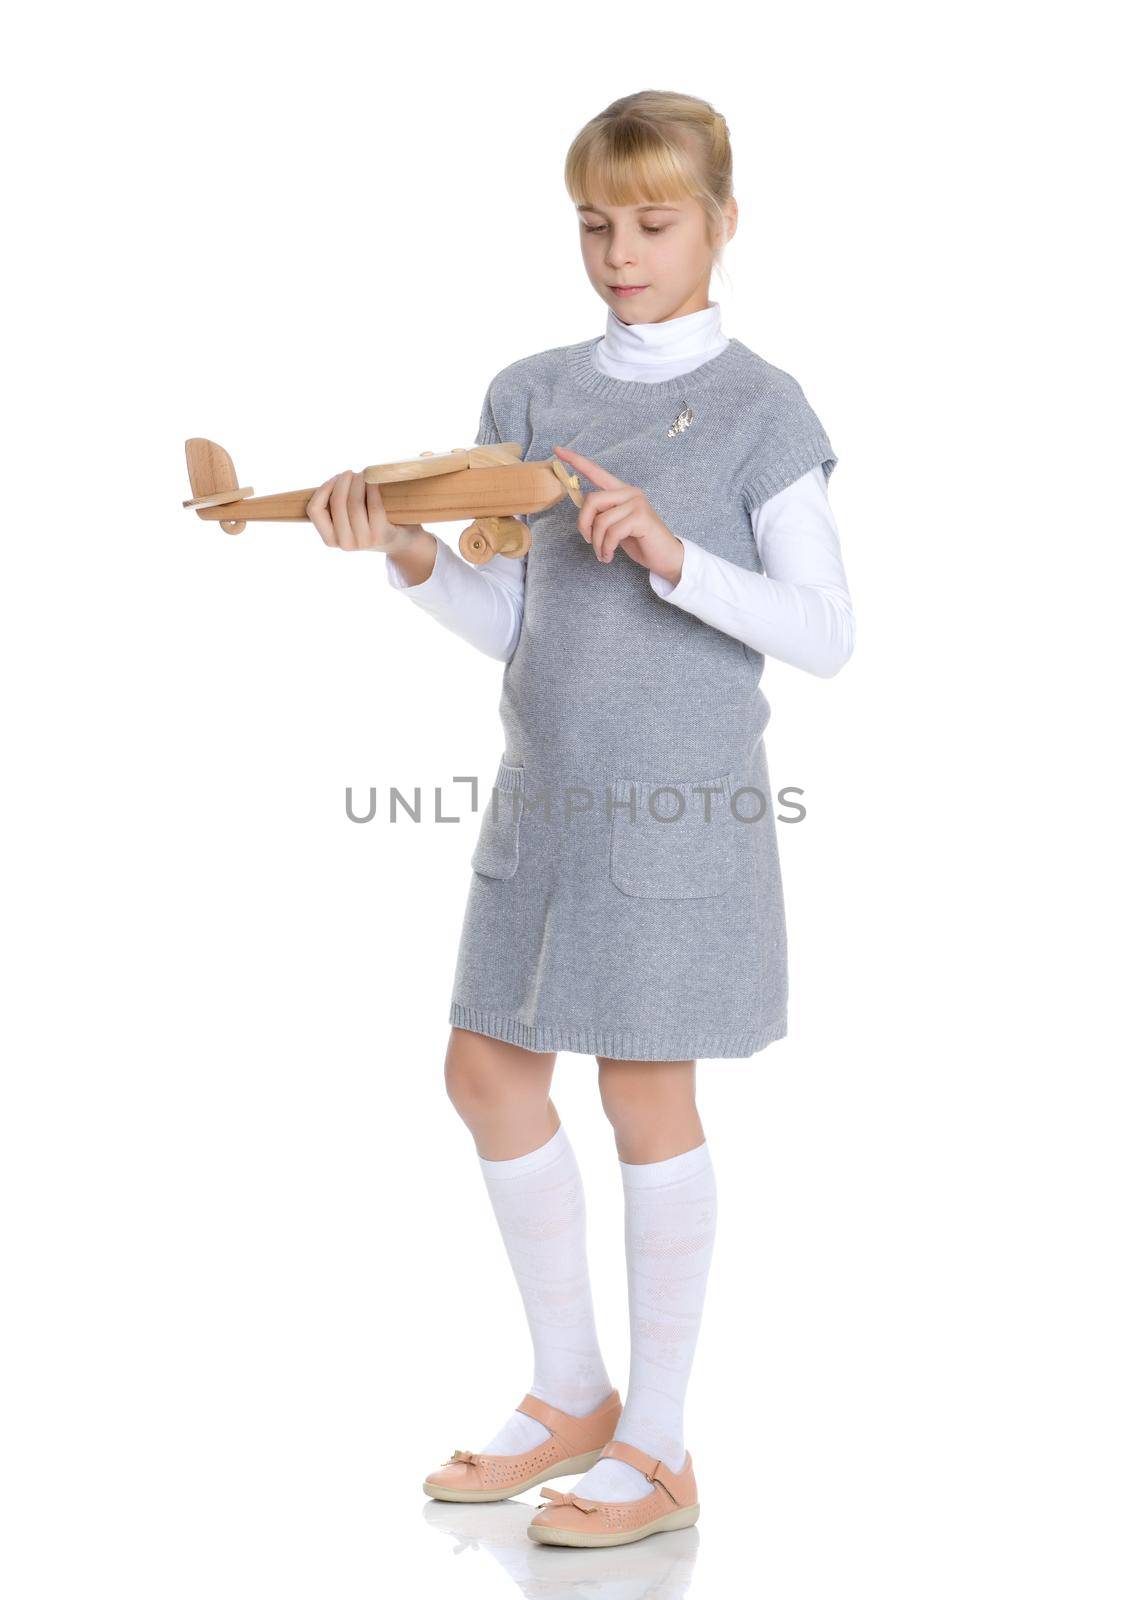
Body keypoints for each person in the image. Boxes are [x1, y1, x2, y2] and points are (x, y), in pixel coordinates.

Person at [305, 89, 854, 1549]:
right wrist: (415, 559)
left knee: (644, 1094)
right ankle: (570, 1396)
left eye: (655, 224)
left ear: (723, 225)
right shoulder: (530, 393)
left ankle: (663, 1448)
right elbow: (524, 623)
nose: (623, 253)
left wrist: (674, 554)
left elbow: (825, 633)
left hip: (679, 806)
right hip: (541, 798)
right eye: (597, 225)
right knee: (484, 1069)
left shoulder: (763, 410)